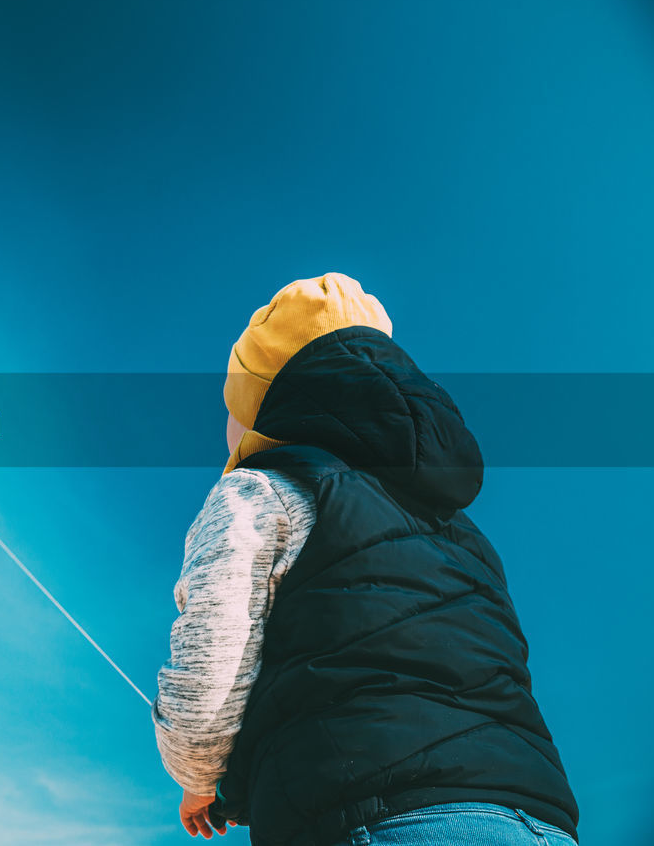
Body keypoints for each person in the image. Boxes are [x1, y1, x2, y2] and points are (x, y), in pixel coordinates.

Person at [153, 274, 579, 845]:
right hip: (536, 821)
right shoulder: (463, 532)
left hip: (377, 820)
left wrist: (198, 776)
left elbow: (213, 653)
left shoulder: (265, 489)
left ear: (269, 399)